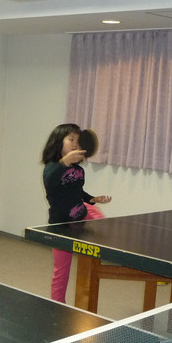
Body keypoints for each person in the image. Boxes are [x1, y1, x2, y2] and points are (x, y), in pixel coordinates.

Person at [41, 123, 111, 303]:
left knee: (100, 220)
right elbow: (50, 181)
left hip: (82, 214)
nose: (75, 144)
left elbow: (78, 192)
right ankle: (58, 305)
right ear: (58, 142)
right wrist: (64, 163)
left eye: (78, 142)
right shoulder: (51, 168)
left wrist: (93, 199)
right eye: (71, 139)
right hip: (61, 225)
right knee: (61, 270)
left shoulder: (79, 171)